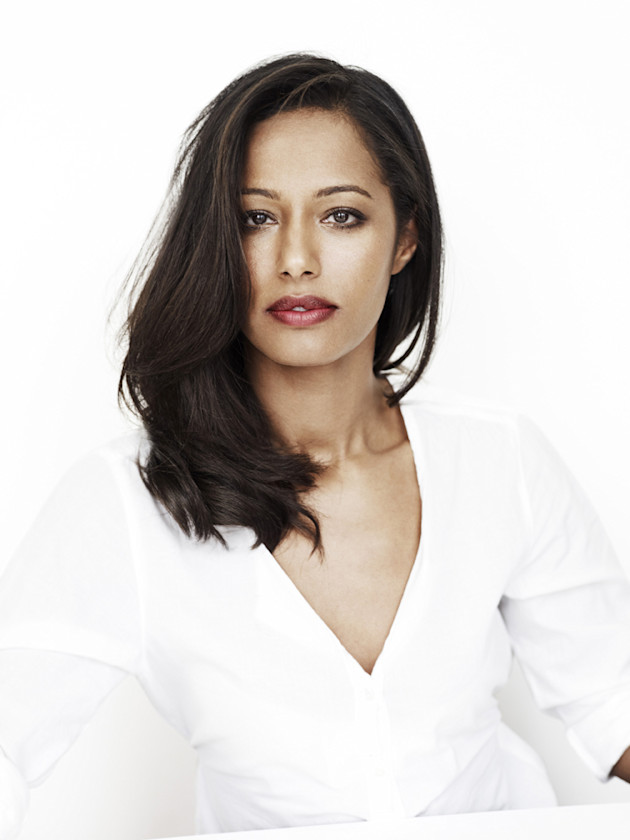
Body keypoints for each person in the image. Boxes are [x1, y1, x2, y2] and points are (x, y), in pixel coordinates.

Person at [1, 52, 630, 838]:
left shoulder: (500, 461)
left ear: (404, 238)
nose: (296, 259)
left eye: (341, 216)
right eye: (255, 219)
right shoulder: (127, 500)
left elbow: (612, 697)